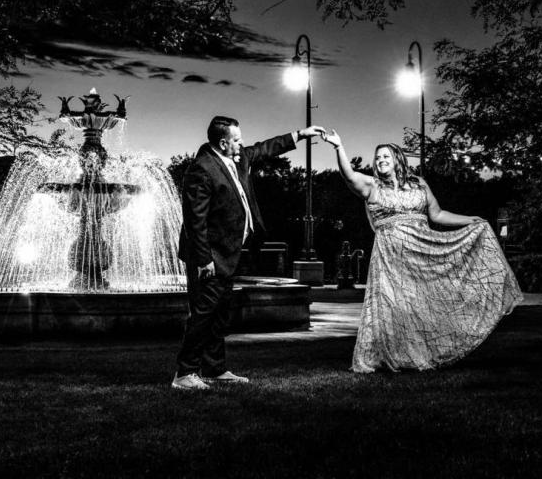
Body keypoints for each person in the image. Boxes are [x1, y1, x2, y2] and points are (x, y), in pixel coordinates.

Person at [322, 131, 522, 372]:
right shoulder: (371, 185)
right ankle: (392, 355)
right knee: (393, 305)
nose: (380, 160)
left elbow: (437, 214)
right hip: (390, 257)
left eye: (386, 156)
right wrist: (338, 147)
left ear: (397, 159)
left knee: (422, 304)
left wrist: (468, 219)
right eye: (377, 158)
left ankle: (422, 353)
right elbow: (348, 175)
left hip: (423, 251)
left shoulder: (419, 183)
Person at [172, 115, 327, 391]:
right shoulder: (202, 169)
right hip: (208, 256)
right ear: (223, 142)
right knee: (203, 314)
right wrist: (205, 260)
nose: (241, 143)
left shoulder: (239, 158)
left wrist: (301, 134)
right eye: (236, 139)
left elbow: (265, 148)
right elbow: (195, 219)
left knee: (220, 314)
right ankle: (184, 374)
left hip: (227, 252)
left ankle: (214, 369)